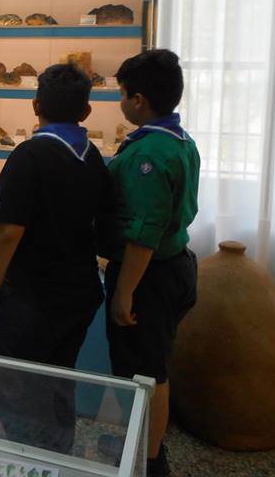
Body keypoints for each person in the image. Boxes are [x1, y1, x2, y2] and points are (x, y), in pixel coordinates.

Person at [0, 63, 114, 454]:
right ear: (86, 111)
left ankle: (30, 460)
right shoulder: (93, 158)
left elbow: (7, 233)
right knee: (59, 380)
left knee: (21, 390)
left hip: (31, 299)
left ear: (36, 104)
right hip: (78, 293)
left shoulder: (29, 155)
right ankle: (59, 455)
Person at [101, 49, 199, 477]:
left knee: (146, 372)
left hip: (149, 276)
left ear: (139, 100)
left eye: (122, 94)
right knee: (148, 364)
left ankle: (150, 460)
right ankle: (141, 442)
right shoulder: (178, 140)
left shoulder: (149, 156)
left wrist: (124, 292)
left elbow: (144, 232)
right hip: (172, 266)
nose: (120, 101)